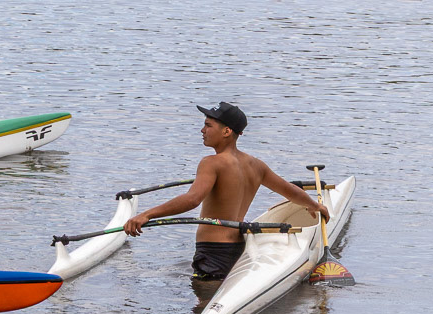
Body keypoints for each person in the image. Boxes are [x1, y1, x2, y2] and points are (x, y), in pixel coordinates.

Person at [124, 103, 329, 280]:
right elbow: (289, 191)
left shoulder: (211, 163)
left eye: (208, 125)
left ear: (227, 131)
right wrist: (315, 205)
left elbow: (192, 199)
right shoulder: (256, 165)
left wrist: (146, 215)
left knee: (204, 309)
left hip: (212, 251)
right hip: (238, 248)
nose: (202, 130)